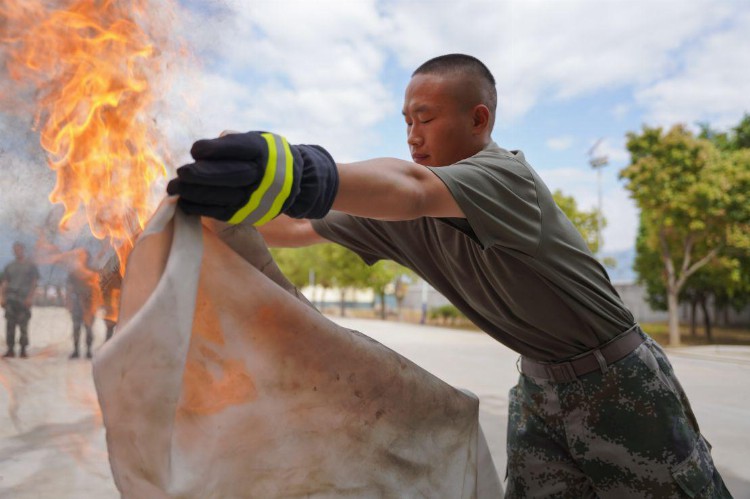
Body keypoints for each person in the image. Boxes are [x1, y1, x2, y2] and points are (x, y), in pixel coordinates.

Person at [166, 54, 731, 497]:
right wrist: (217, 207)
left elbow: (408, 188)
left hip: (619, 381)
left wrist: (293, 170)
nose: (413, 134)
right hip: (539, 386)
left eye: (427, 119)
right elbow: (297, 228)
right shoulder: (407, 217)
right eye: (407, 121)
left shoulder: (505, 178)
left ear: (478, 119)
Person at [1, 242, 39, 359]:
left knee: (23, 326)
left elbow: (34, 283)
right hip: (11, 298)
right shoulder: (10, 266)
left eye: (19, 249)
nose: (17, 251)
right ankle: (10, 349)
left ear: (23, 250)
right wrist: (2, 297)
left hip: (24, 299)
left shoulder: (30, 266)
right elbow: (4, 283)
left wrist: (30, 298)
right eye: (15, 249)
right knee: (10, 325)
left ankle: (23, 349)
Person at [65, 249, 98, 359]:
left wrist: (95, 305)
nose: (82, 257)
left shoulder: (92, 271)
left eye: (84, 255)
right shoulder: (73, 273)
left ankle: (88, 350)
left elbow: (96, 289)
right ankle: (76, 350)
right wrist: (69, 303)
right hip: (76, 303)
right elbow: (69, 289)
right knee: (76, 327)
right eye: (80, 256)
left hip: (88, 303)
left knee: (88, 328)